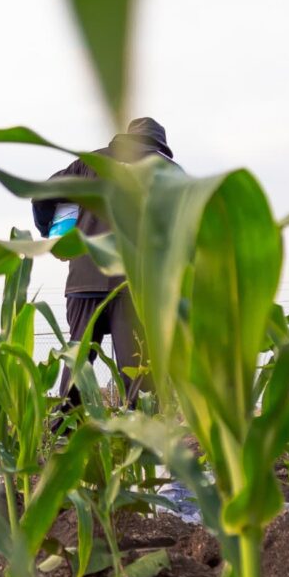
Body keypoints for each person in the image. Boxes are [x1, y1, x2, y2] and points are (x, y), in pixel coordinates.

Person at [34, 117, 172, 408]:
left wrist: (50, 234)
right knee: (137, 369)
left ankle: (64, 434)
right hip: (134, 283)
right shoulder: (166, 170)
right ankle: (141, 439)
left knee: (78, 362)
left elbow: (42, 195)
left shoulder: (89, 163)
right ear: (159, 145)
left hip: (85, 277)